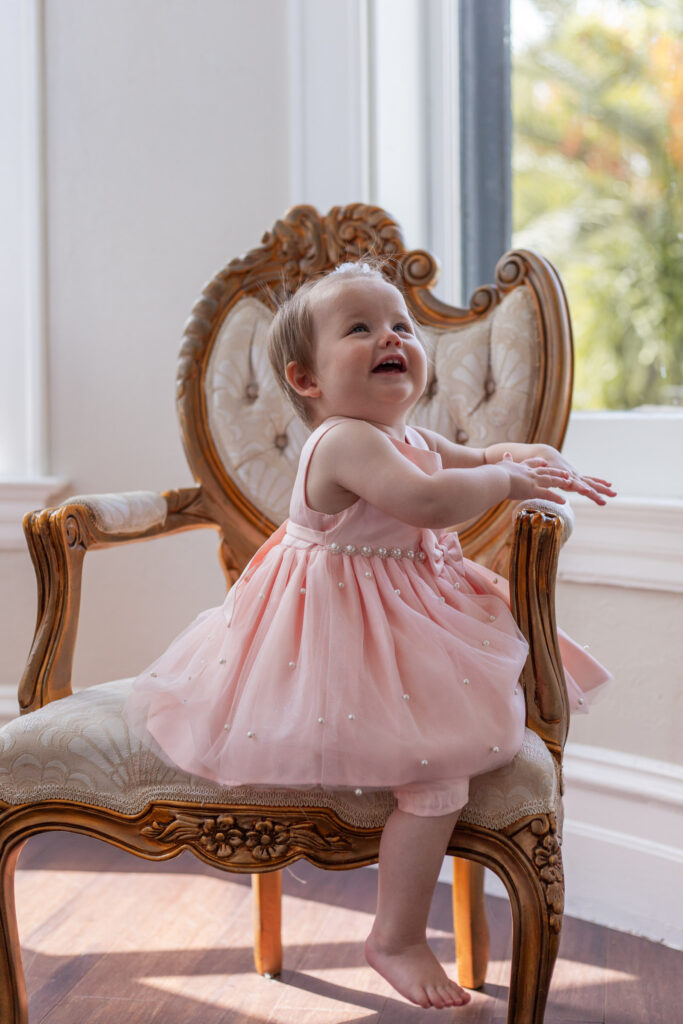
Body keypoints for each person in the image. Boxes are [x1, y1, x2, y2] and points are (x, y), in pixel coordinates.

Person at [125, 261, 614, 1010]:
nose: (390, 336)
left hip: (399, 619)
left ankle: (398, 927)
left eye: (400, 326)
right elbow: (425, 499)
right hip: (327, 635)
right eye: (360, 328)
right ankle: (394, 936)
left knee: (451, 739)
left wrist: (511, 456)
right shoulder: (342, 441)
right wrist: (508, 485)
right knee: (433, 774)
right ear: (308, 379)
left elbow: (465, 460)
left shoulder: (401, 433)